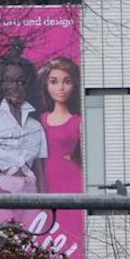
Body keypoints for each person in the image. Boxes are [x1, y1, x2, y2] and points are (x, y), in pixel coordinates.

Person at [0, 41, 46, 229]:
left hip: (32, 190)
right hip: (6, 186)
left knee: (33, 244)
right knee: (6, 242)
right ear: (1, 84)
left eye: (21, 81)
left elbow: (38, 166)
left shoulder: (35, 125)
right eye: (10, 80)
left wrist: (45, 199)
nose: (16, 86)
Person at [37, 56, 82, 193]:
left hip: (73, 178)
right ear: (46, 85)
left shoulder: (78, 122)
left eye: (67, 82)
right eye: (54, 82)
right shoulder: (39, 120)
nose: (61, 88)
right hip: (45, 178)